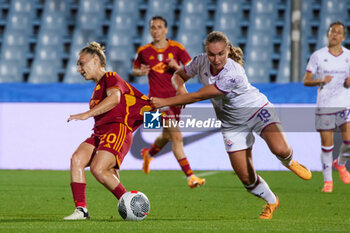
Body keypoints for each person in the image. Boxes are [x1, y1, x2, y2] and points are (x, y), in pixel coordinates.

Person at [150, 31, 312, 219]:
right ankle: (271, 201)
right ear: (206, 52)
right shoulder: (200, 61)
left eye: (220, 54)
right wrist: (180, 87)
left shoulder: (233, 72)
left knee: (280, 149)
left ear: (227, 50)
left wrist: (165, 101)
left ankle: (289, 161)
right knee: (247, 180)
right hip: (231, 124)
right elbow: (178, 75)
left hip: (256, 110)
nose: (216, 59)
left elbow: (200, 95)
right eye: (211, 54)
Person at [64, 42, 153, 220]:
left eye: (82, 63)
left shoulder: (111, 77)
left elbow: (115, 99)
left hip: (117, 129)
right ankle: (81, 210)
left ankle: (132, 204)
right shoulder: (97, 88)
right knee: (77, 159)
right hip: (99, 133)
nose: (79, 69)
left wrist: (86, 114)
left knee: (98, 168)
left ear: (96, 60)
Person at [132, 16, 205, 188]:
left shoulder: (177, 48)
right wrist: (140, 72)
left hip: (176, 99)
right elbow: (134, 69)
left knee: (167, 135)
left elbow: (190, 69)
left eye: (159, 27)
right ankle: (191, 176)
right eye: (153, 27)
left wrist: (177, 67)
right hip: (156, 101)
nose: (155, 30)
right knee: (176, 137)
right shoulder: (144, 51)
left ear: (166, 30)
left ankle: (148, 154)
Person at [303, 21, 350, 193]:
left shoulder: (348, 56)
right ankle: (328, 182)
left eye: (339, 32)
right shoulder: (318, 55)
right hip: (325, 106)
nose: (335, 34)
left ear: (343, 37)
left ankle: (340, 163)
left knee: (349, 141)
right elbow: (306, 80)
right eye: (332, 31)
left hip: (344, 104)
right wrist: (321, 80)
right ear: (328, 34)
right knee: (327, 145)